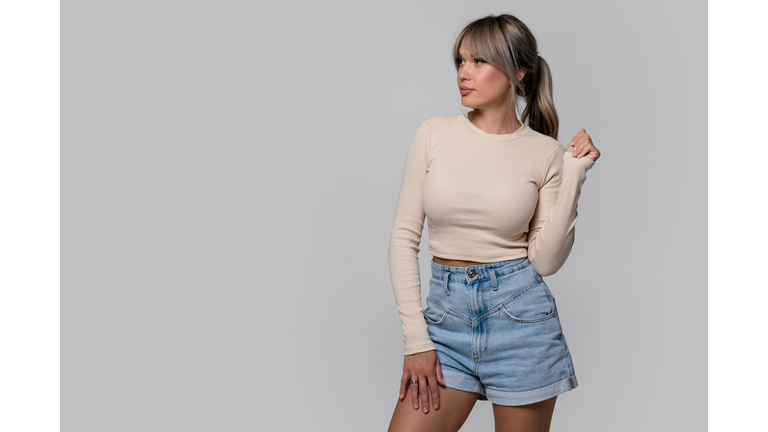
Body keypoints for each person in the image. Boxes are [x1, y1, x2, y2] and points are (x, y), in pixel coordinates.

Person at [386, 14, 602, 432]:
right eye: (460, 61)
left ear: (518, 71)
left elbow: (545, 261)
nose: (463, 73)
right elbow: (402, 239)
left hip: (521, 324)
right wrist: (416, 340)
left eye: (478, 61)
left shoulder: (545, 153)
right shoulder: (433, 133)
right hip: (445, 324)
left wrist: (575, 173)